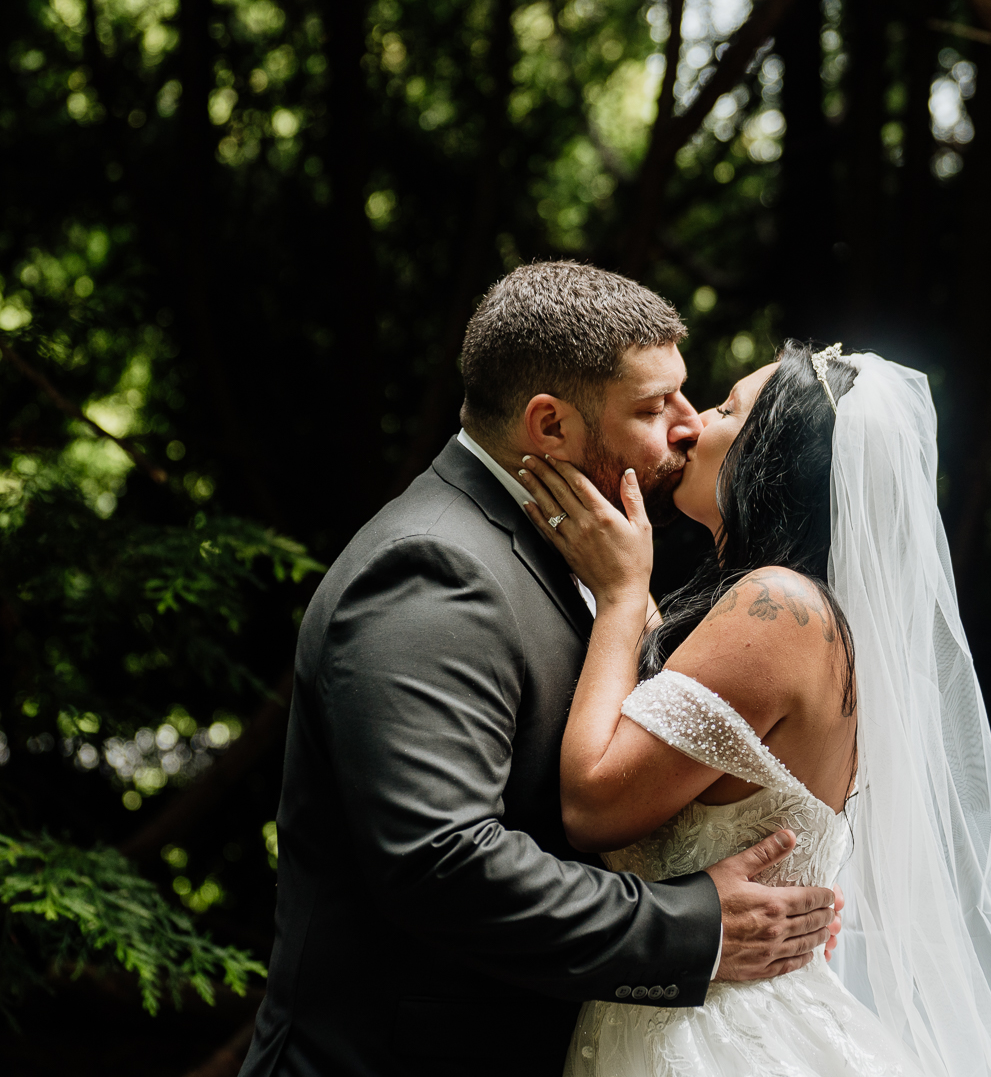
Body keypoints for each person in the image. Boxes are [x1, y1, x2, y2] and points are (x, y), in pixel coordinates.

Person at [237, 263, 841, 1077]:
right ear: (549, 427)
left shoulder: (589, 549)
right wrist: (695, 928)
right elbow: (441, 861)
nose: (687, 425)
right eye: (652, 407)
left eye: (690, 397)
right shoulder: (433, 568)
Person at [518, 341, 991, 1077]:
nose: (692, 423)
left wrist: (616, 597)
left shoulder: (777, 610)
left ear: (772, 456)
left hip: (715, 1042)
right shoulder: (793, 617)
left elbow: (593, 802)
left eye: (727, 410)